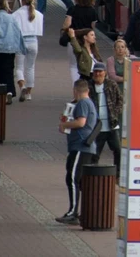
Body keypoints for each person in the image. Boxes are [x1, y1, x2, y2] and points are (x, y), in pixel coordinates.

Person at [56, 79, 99, 225]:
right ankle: (76, 211)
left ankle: (73, 212)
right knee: (76, 179)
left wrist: (65, 124)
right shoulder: (88, 103)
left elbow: (81, 122)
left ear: (76, 90)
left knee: (72, 178)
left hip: (81, 146)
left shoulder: (82, 103)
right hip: (80, 146)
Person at [0, 0, 25, 104]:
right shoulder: (12, 19)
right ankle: (9, 91)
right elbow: (18, 33)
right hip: (10, 49)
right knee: (8, 71)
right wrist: (20, 47)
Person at [89, 62, 122, 173]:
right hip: (97, 127)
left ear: (105, 73)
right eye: (96, 71)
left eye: (100, 71)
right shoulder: (89, 87)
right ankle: (92, 175)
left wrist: (115, 113)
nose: (98, 74)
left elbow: (120, 100)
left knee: (118, 150)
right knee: (95, 153)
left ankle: (117, 173)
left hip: (111, 126)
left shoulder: (111, 84)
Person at [12, 0, 42, 102]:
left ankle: (22, 86)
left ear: (22, 1)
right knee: (30, 67)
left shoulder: (17, 13)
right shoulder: (37, 13)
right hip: (34, 41)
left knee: (19, 67)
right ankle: (29, 93)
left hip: (21, 42)